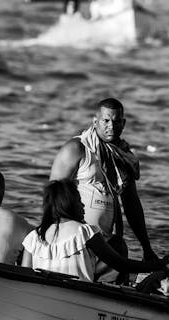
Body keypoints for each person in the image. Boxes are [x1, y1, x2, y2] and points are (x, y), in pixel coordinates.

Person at [49, 96, 159, 264]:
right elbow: (53, 194)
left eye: (116, 122)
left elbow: (132, 205)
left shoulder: (124, 157)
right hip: (75, 241)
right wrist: (49, 239)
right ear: (95, 121)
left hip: (107, 242)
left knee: (120, 249)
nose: (111, 126)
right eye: (105, 121)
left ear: (123, 123)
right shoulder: (77, 148)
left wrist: (146, 248)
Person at [21, 180, 169, 283]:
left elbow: (25, 276)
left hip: (44, 298)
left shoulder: (33, 237)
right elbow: (121, 265)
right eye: (79, 201)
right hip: (79, 299)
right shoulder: (84, 231)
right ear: (69, 204)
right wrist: (160, 265)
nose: (83, 206)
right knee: (118, 245)